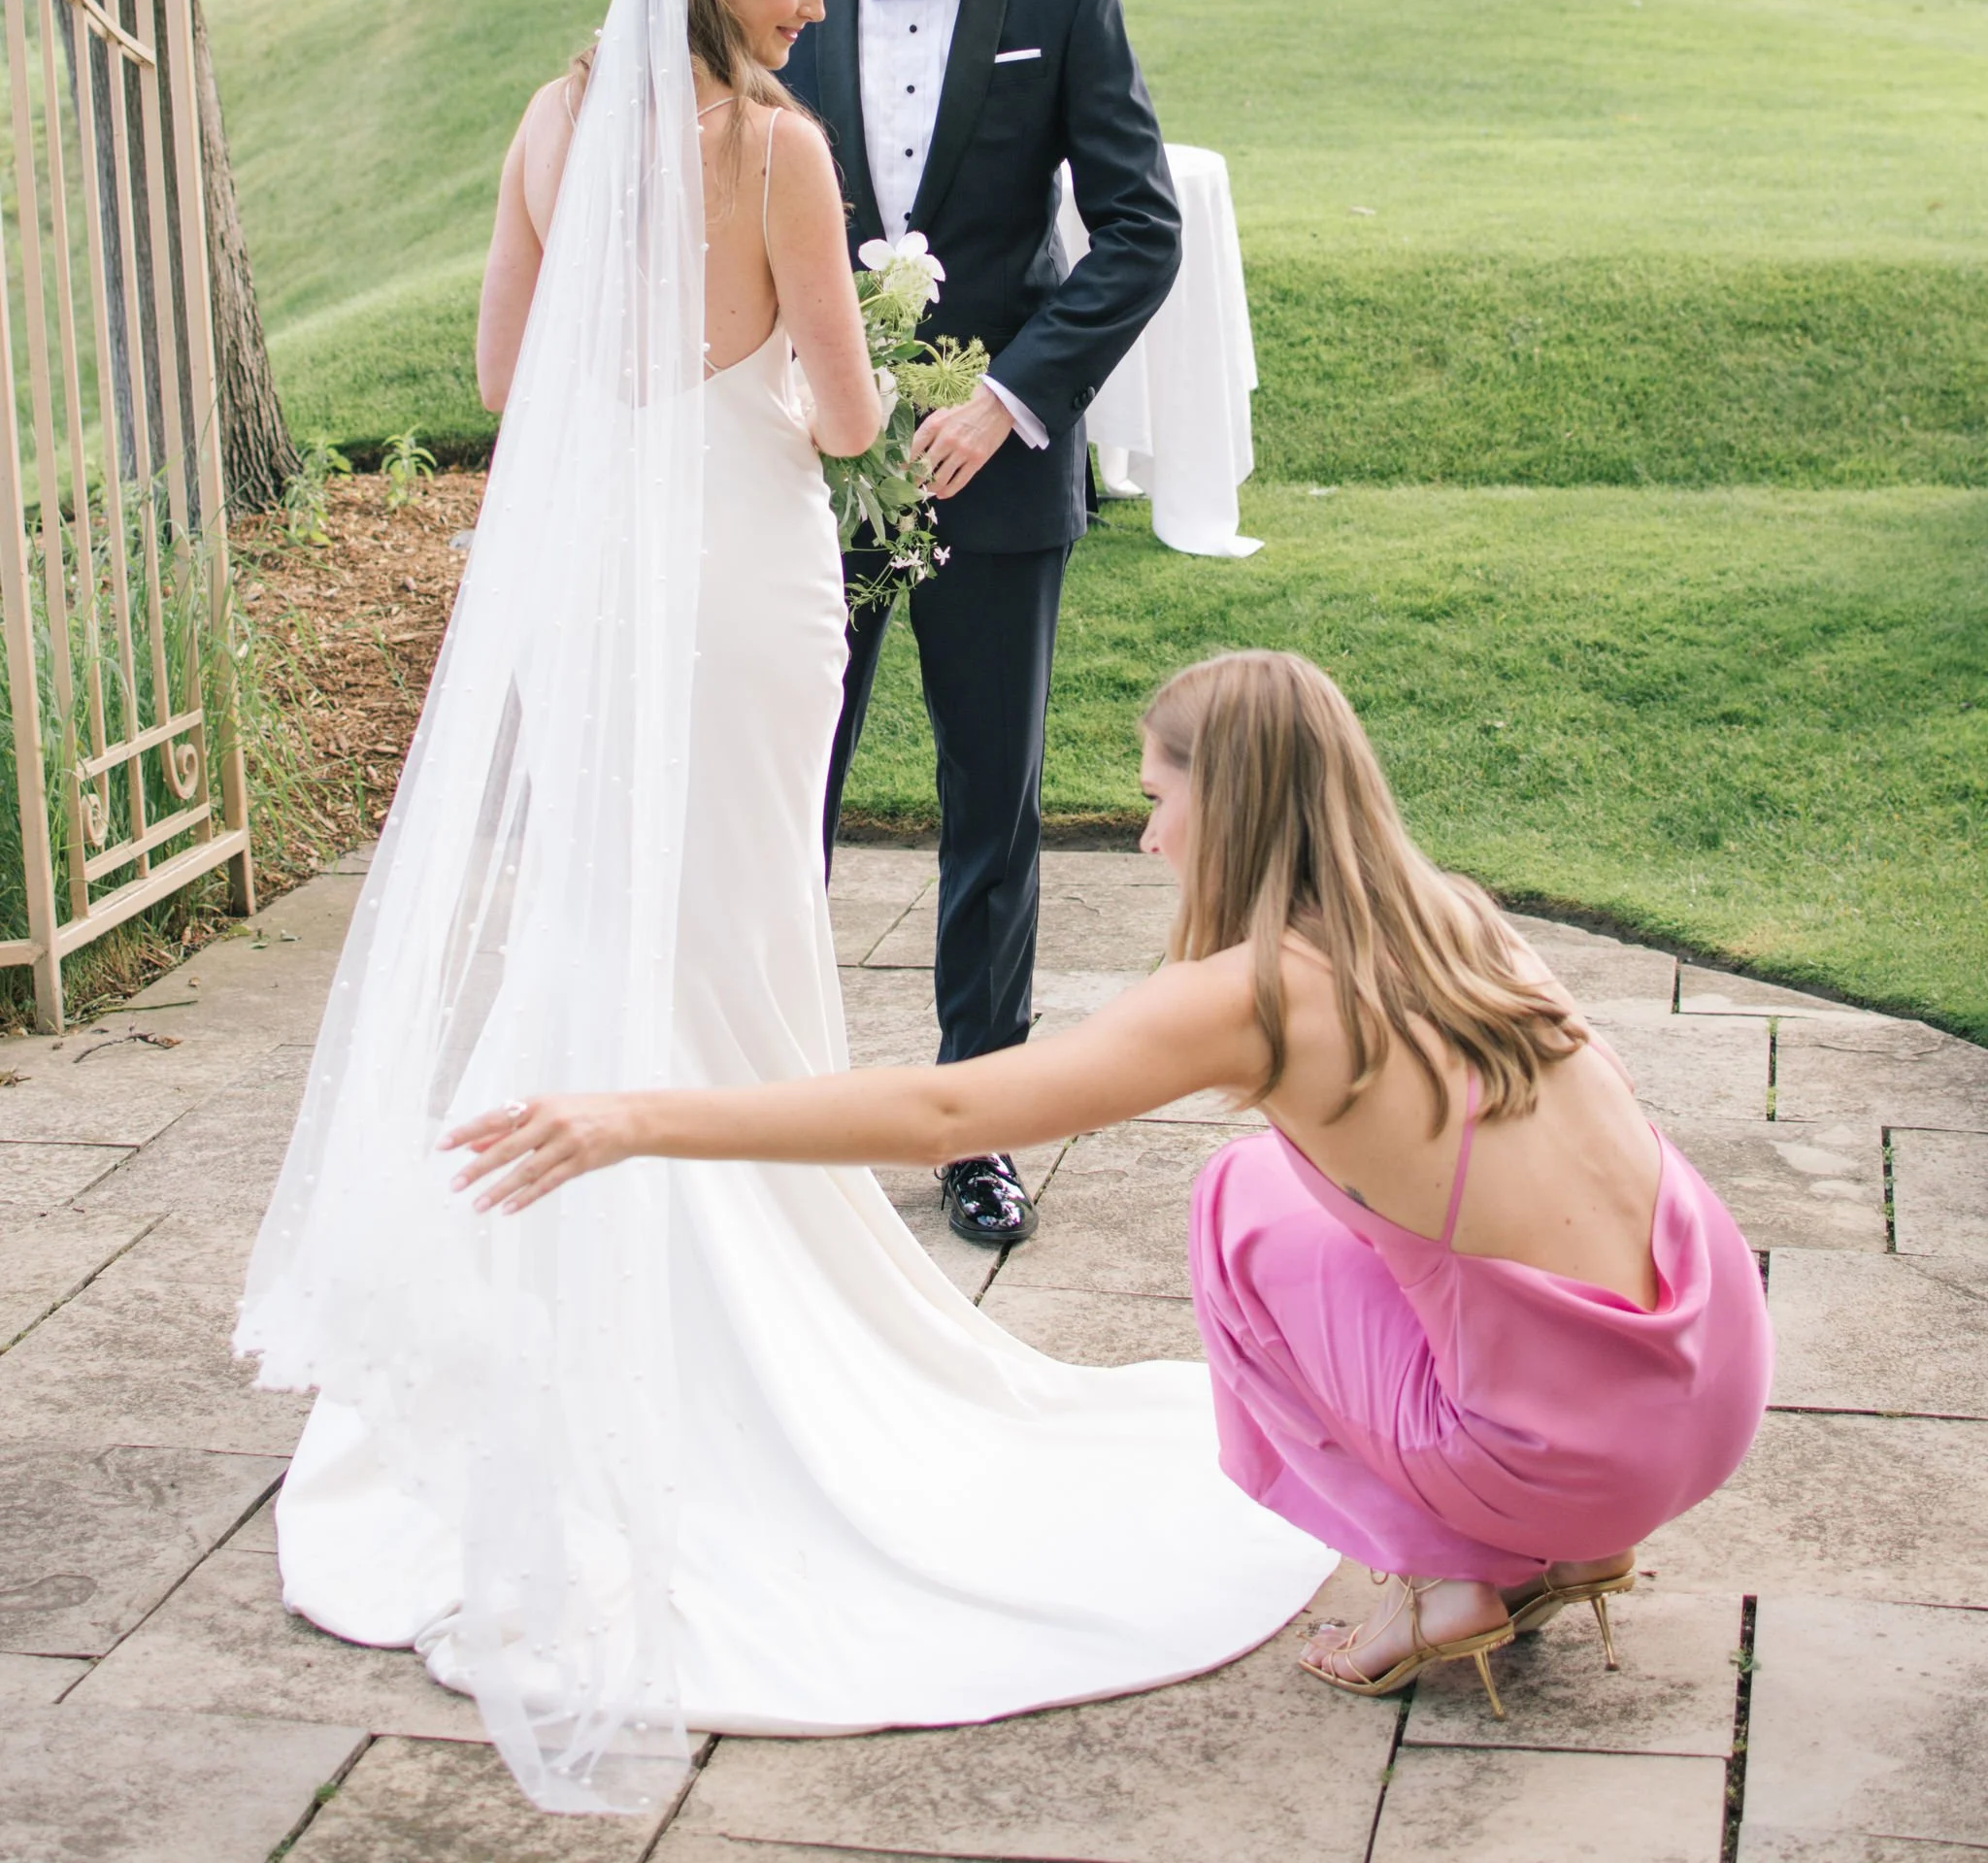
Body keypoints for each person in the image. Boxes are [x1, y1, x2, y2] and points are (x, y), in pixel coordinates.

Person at [237, 0, 1326, 1826]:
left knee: (608, 919)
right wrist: (876, 344)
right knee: (738, 928)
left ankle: (556, 1295)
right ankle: (736, 1326)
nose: (815, 8)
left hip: (592, 593)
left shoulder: (550, 121)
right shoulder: (772, 152)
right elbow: (836, 417)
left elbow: (505, 374)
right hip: (738, 587)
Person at [448, 648, 1774, 1721]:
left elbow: (948, 1111)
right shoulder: (1458, 915)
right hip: (1713, 1391)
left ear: (1234, 802)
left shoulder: (1256, 998)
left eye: (1159, 796)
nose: (1150, 838)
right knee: (1326, 1189)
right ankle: (1575, 1535)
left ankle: (1449, 1577)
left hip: (1577, 1456)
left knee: (1237, 1211)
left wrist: (633, 1116)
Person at [786, 0, 1181, 1249]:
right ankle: (778, 1102)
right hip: (810, 481)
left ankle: (981, 1124)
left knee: (989, 804)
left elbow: (1138, 229)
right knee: (784, 796)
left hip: (995, 479)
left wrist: (1013, 401)